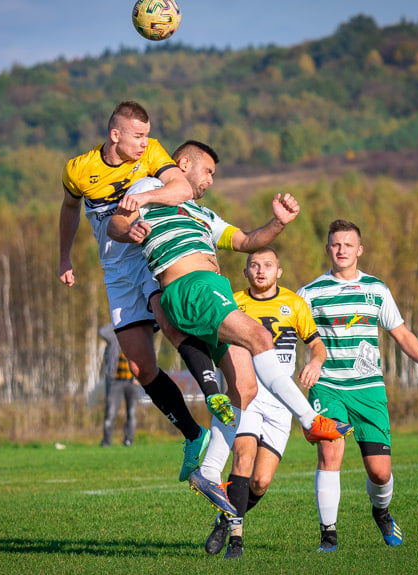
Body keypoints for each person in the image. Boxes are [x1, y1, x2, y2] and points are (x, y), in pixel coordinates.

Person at [108, 140, 352, 522]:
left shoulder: (201, 213)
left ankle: (208, 472)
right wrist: (131, 227)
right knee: (260, 337)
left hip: (213, 290)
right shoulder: (149, 191)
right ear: (184, 164)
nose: (209, 181)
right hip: (191, 287)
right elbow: (117, 222)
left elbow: (246, 241)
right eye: (208, 172)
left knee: (245, 388)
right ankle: (310, 422)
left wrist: (278, 224)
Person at [60, 100, 225, 484]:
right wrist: (64, 258)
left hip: (145, 251)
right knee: (140, 366)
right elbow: (69, 209)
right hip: (113, 267)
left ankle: (212, 390)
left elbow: (182, 187)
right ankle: (192, 434)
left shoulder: (150, 153)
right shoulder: (78, 169)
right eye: (137, 135)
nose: (145, 142)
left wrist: (146, 199)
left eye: (147, 135)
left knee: (167, 318)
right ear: (115, 135)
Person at [297, 219, 418, 552]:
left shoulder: (377, 290)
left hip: (369, 391)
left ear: (359, 250)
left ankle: (381, 512)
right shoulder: (309, 293)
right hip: (328, 387)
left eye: (348, 245)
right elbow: (289, 334)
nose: (341, 250)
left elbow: (402, 334)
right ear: (327, 249)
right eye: (336, 244)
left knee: (380, 474)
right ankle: (328, 534)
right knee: (329, 451)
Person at [200, 247, 331, 559]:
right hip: (246, 398)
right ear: (245, 272)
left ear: (279, 272)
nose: (261, 270)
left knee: (260, 481)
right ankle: (236, 541)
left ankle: (224, 518)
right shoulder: (232, 302)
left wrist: (315, 363)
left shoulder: (294, 304)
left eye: (268, 265)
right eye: (254, 265)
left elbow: (317, 346)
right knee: (242, 463)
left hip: (279, 406)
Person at [98, 323, 140, 447]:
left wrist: (139, 377)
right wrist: (116, 321)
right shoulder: (114, 338)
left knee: (131, 413)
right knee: (110, 412)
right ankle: (106, 441)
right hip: (114, 381)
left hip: (131, 382)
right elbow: (102, 331)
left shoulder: (137, 339)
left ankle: (128, 440)